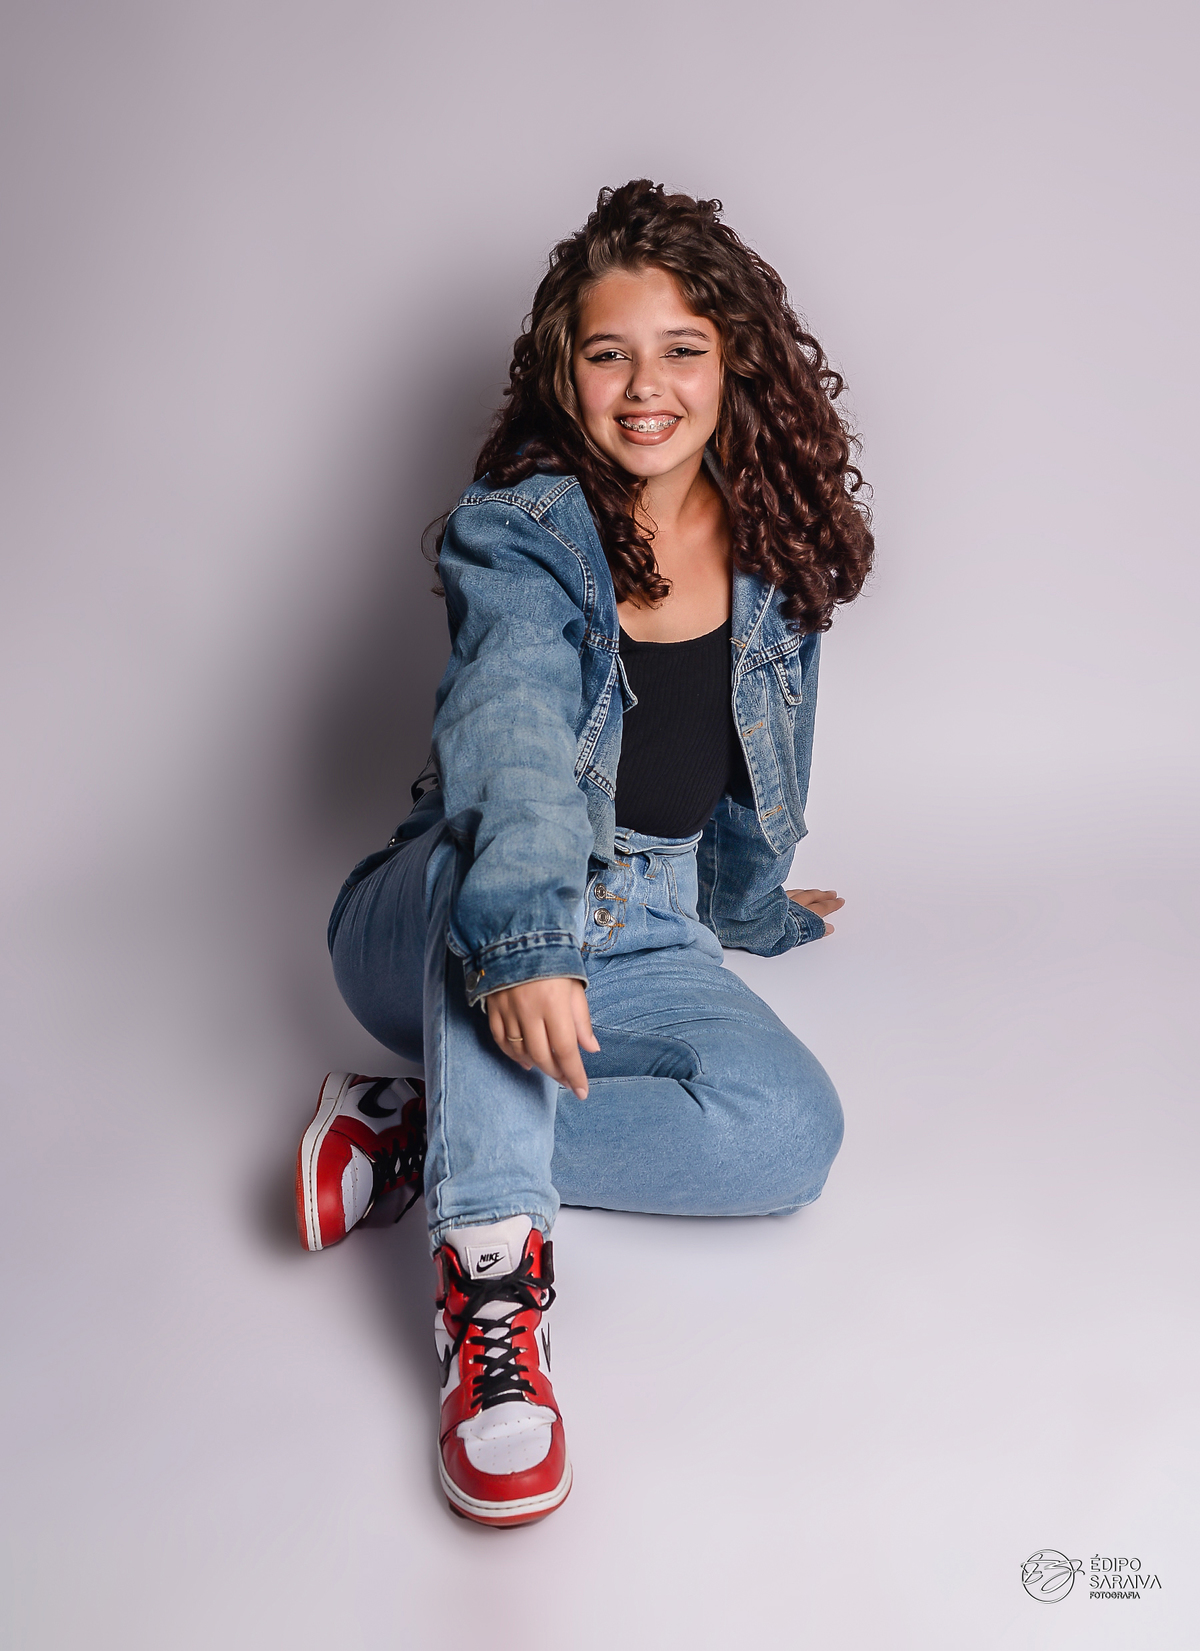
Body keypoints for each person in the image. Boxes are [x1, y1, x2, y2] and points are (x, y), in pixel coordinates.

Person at [294, 180, 874, 1528]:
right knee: (497, 868)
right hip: (451, 907)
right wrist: (525, 938)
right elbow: (509, 745)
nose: (646, 386)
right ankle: (494, 1296)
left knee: (791, 1135)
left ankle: (414, 1122)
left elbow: (737, 782)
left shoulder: (773, 545)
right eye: (610, 353)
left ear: (735, 362)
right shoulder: (523, 529)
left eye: (682, 349)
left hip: (647, 921)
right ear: (568, 374)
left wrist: (754, 907)